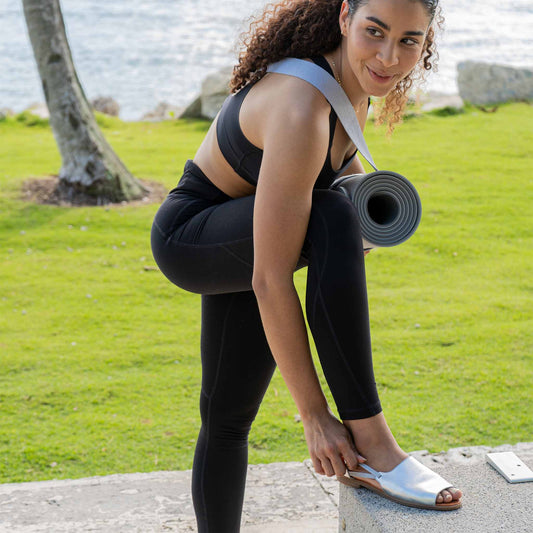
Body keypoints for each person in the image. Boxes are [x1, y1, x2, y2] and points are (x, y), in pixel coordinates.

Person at [151, 0, 462, 530]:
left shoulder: (351, 93)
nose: (389, 56)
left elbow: (340, 189)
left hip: (247, 232)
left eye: (410, 40)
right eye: (375, 32)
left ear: (425, 43)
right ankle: (375, 445)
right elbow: (271, 277)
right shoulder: (302, 105)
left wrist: (365, 221)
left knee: (226, 419)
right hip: (192, 236)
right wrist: (315, 417)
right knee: (331, 214)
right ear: (345, 18)